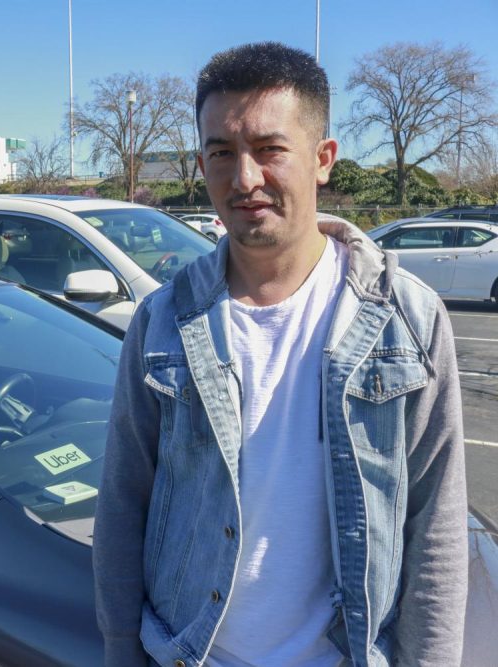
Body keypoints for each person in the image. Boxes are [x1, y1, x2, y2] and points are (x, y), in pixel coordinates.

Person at [94, 42, 467, 667]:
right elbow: (124, 502)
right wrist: (117, 650)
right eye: (221, 154)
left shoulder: (408, 318)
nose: (244, 180)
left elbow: (436, 526)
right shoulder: (162, 323)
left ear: (322, 159)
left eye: (269, 150)